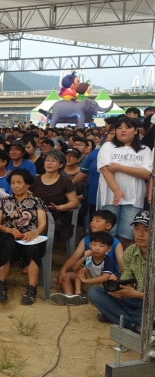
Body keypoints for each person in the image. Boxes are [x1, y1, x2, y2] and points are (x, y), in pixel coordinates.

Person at [88, 211, 153, 334]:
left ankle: (118, 316)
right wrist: (121, 290)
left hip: (149, 302)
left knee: (151, 312)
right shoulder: (130, 251)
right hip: (133, 299)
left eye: (146, 229)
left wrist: (138, 295)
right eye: (136, 228)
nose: (140, 234)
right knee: (95, 292)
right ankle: (133, 323)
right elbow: (126, 279)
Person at [0, 169, 48, 305]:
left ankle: (32, 287)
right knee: (8, 245)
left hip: (30, 235)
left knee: (33, 248)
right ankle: (2, 283)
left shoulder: (36, 201)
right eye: (12, 183)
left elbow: (43, 223)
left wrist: (34, 233)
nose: (15, 185)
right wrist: (9, 229)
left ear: (27, 184)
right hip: (9, 234)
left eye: (19, 182)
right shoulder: (5, 201)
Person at [97, 116, 153, 248]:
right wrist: (116, 190)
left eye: (127, 127)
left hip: (133, 198)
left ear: (135, 131)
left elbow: (147, 173)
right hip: (109, 197)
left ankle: (124, 264)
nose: (123, 131)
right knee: (108, 233)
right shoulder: (108, 146)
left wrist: (120, 167)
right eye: (119, 128)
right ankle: (108, 265)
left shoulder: (145, 150)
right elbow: (105, 170)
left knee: (127, 234)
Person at [52, 231, 117, 306]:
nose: (97, 248)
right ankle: (73, 295)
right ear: (90, 245)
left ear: (108, 249)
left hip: (101, 287)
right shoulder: (89, 257)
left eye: (101, 246)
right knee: (70, 274)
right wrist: (83, 257)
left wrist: (86, 280)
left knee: (112, 277)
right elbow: (74, 268)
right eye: (94, 245)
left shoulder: (107, 260)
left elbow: (105, 277)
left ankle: (106, 299)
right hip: (88, 284)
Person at [30, 149, 79, 242]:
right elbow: (28, 198)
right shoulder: (36, 179)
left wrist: (60, 207)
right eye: (47, 160)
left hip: (56, 215)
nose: (49, 163)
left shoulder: (65, 181)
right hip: (36, 214)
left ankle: (39, 253)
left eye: (53, 161)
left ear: (61, 165)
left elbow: (74, 202)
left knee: (41, 228)